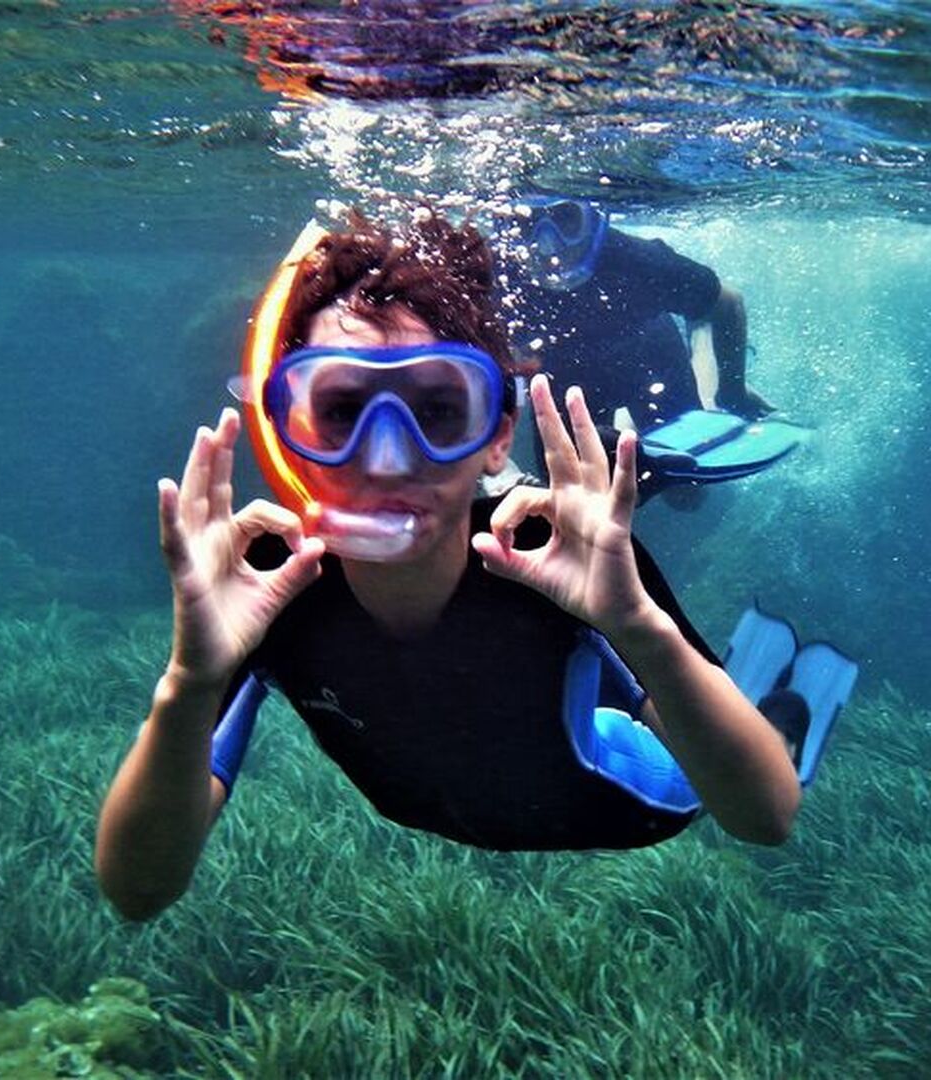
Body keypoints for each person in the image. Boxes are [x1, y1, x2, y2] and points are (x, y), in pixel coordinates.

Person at [95, 211, 854, 922]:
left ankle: (783, 714)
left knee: (753, 743)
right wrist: (191, 681)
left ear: (497, 439)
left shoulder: (550, 557)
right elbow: (137, 892)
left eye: (435, 410)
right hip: (440, 804)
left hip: (634, 804)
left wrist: (637, 625)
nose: (386, 459)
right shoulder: (266, 588)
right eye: (340, 408)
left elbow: (764, 816)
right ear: (290, 432)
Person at [501, 197, 799, 497]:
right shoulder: (499, 278)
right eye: (526, 224)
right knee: (575, 495)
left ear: (593, 220)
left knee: (686, 495)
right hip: (567, 384)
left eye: (566, 219)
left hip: (653, 362)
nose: (549, 245)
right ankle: (628, 429)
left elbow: (727, 302)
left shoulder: (634, 259)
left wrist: (732, 392)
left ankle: (699, 366)